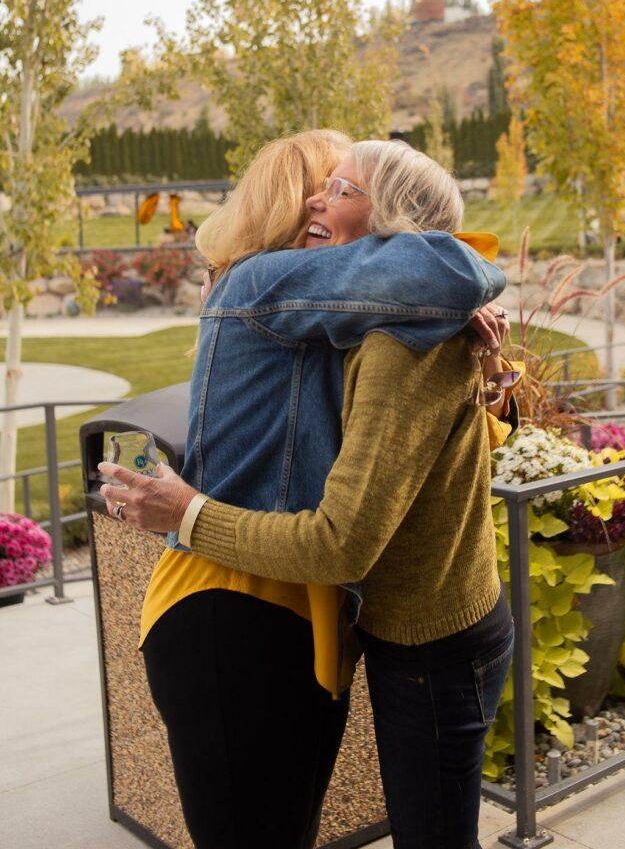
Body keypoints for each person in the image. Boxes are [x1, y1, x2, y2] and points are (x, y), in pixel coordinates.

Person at [100, 136, 516, 849]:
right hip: (231, 618)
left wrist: (484, 386)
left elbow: (411, 449)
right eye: (317, 187)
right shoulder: (264, 287)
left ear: (383, 225)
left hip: (348, 624)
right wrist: (186, 513)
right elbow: (451, 270)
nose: (323, 199)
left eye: (341, 188)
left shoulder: (353, 322)